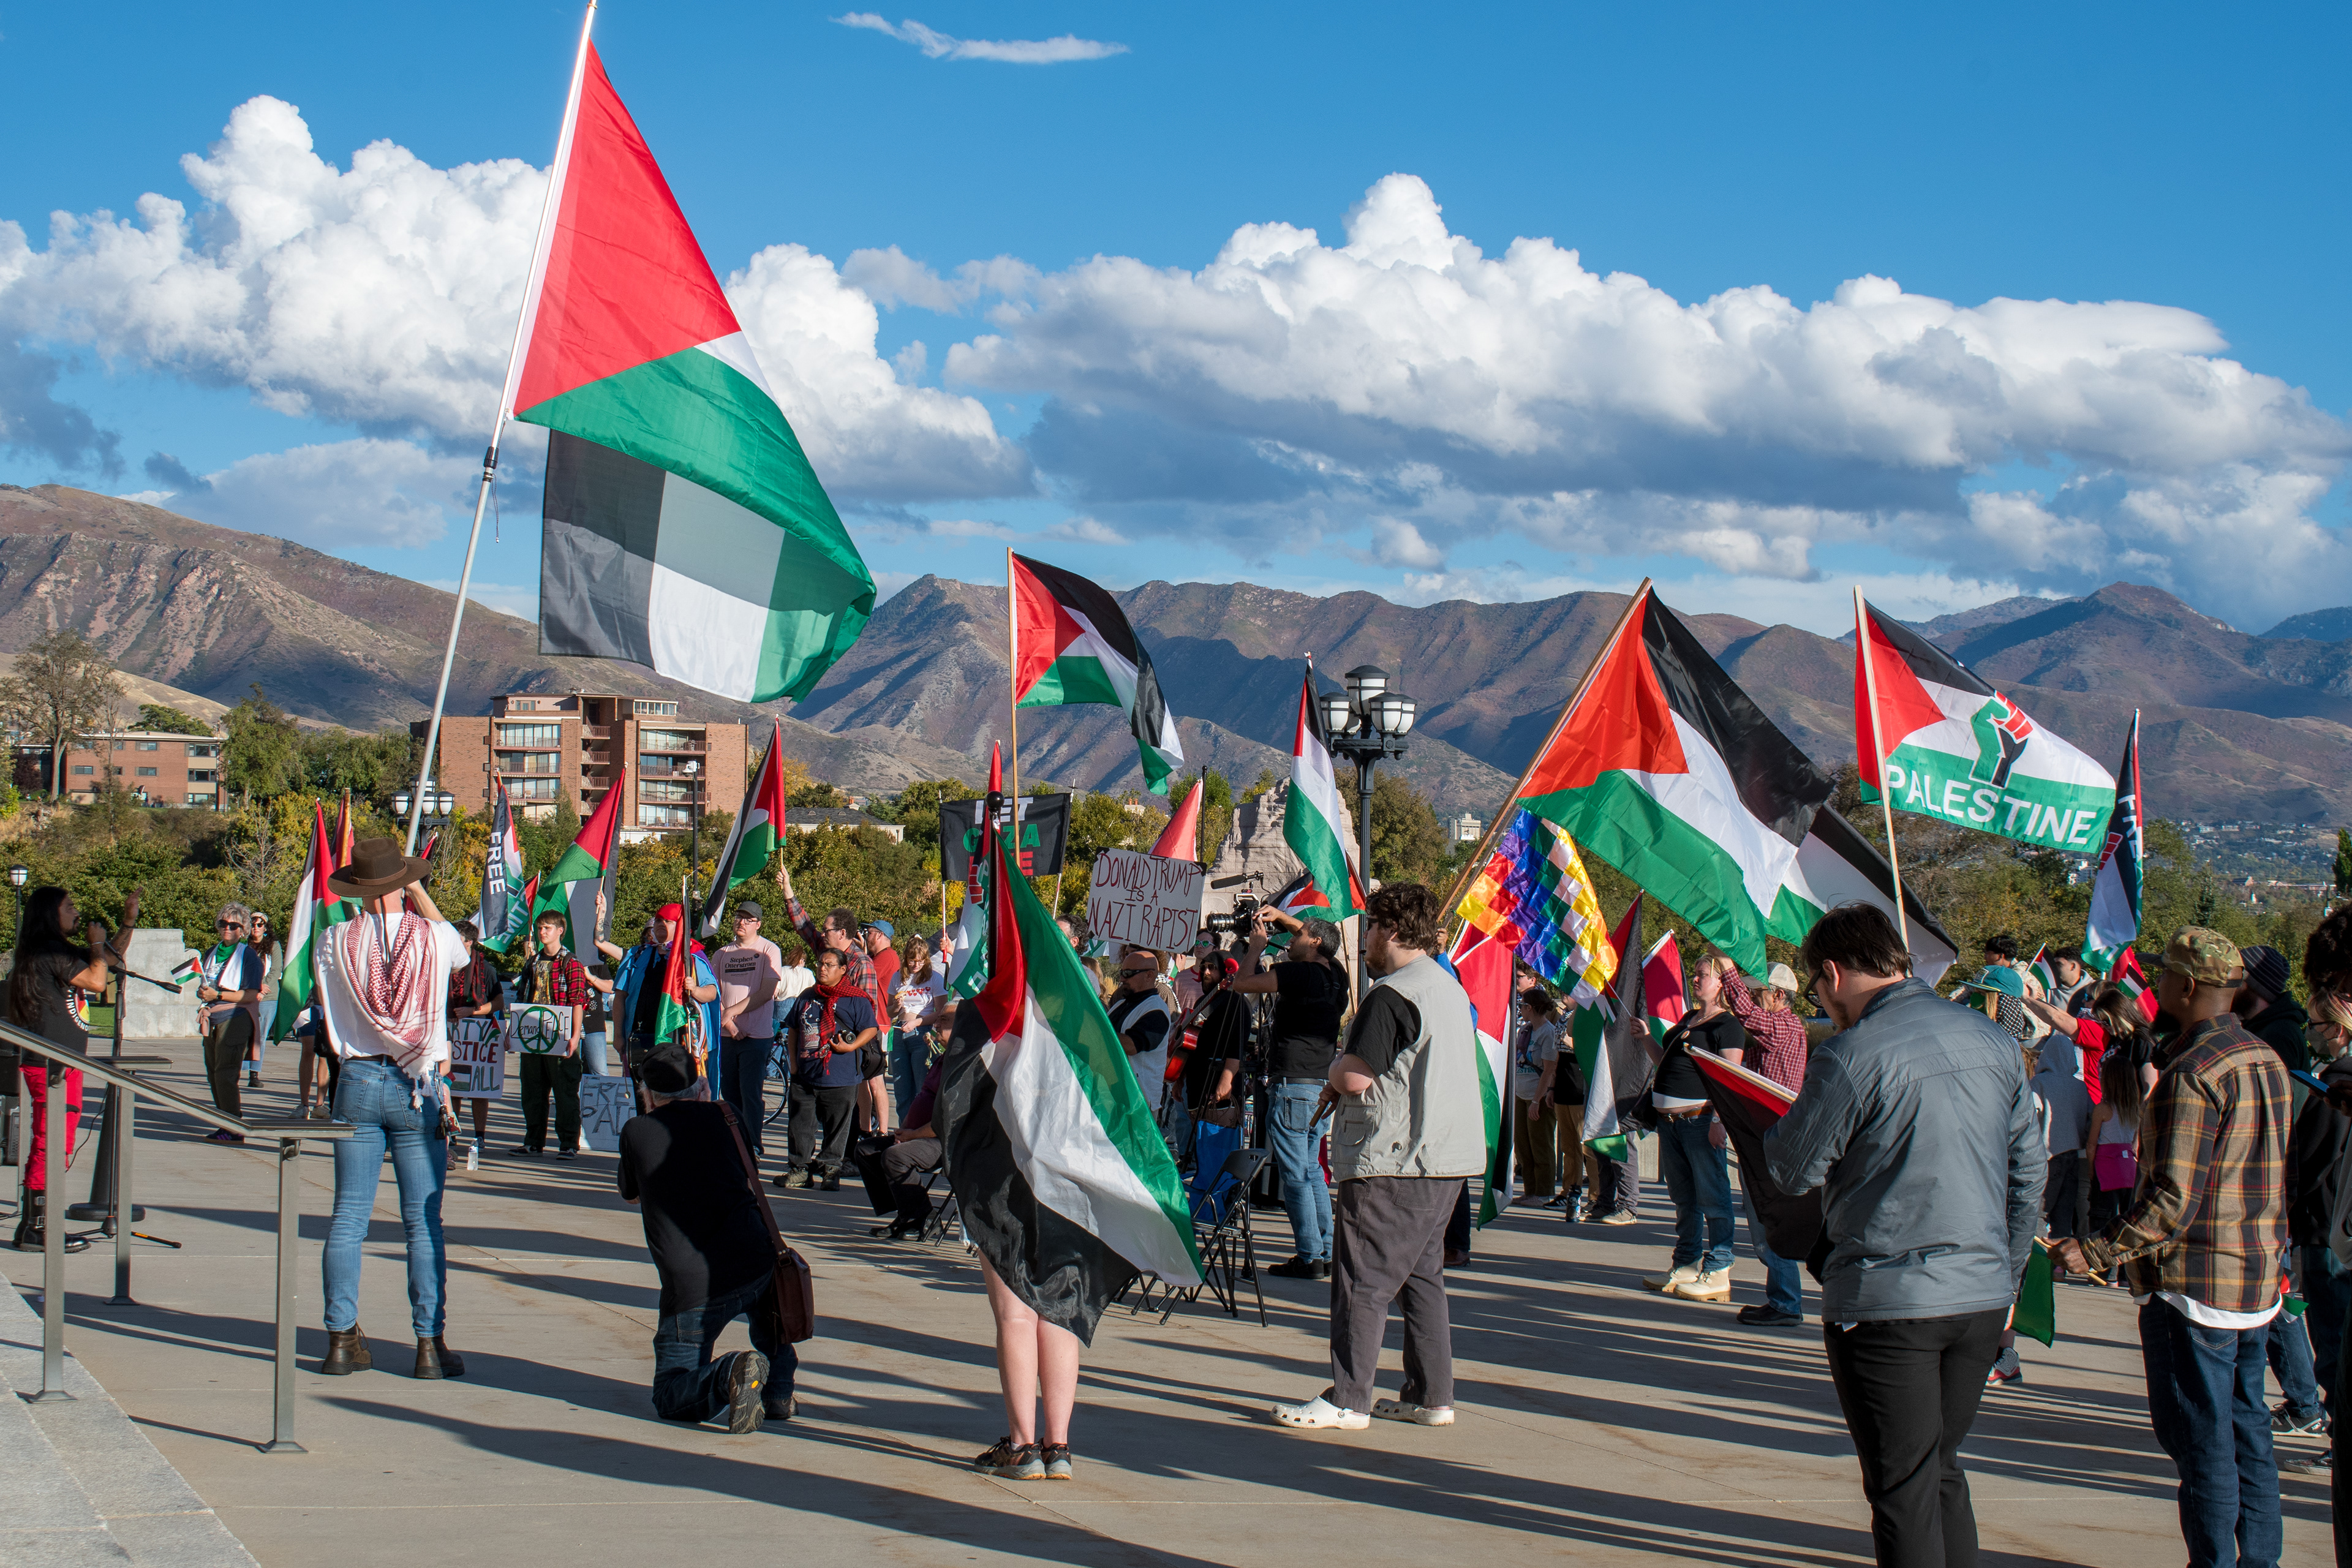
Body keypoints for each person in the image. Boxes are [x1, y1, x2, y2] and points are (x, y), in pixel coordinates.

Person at [1764, 903, 2043, 1568]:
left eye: (1818, 989)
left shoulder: (1851, 1054)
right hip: (1980, 1295)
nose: (1824, 1004)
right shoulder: (1996, 1041)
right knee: (1939, 1467)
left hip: (1892, 1299)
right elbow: (2028, 1172)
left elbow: (1792, 1167)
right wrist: (2009, 1274)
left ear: (1832, 973)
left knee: (1902, 1486)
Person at [2048, 927, 2290, 1568]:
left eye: (2162, 977)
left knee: (2204, 1444)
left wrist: (2094, 1250)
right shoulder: (2264, 1059)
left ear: (2187, 987)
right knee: (2249, 1434)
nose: (2152, 986)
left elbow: (2171, 1201)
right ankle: (2258, 1559)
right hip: (2255, 1281)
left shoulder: (2193, 1073)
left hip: (2199, 1287)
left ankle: (2213, 1561)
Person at [1273, 883, 1484, 1432]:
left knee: (1361, 1278)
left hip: (1394, 1158)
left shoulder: (1393, 994)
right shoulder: (1447, 988)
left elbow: (1357, 1073)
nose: (1365, 940)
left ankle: (1348, 1398)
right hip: (1445, 1159)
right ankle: (1430, 1394)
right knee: (1421, 1277)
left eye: (1370, 928)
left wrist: (1334, 1070)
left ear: (1390, 931)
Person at [311, 837, 472, 1381]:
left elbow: (326, 1002)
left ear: (359, 890)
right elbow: (462, 953)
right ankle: (429, 1344)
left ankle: (340, 1337)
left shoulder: (333, 940)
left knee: (349, 1216)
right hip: (417, 1082)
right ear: (401, 884)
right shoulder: (435, 937)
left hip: (356, 1076)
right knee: (422, 1222)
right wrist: (417, 891)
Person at [617, 1041, 794, 1431]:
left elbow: (630, 1196)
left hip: (692, 1283)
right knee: (771, 1320)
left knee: (671, 1394)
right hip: (753, 1258)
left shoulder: (637, 1131)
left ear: (647, 1095)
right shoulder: (729, 1117)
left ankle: (730, 1372)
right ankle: (779, 1392)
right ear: (699, 1088)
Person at [8, 884, 137, 1253]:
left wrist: (128, 922)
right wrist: (96, 944)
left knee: (55, 1143)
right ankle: (37, 1227)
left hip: (63, 1062)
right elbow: (97, 981)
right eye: (70, 907)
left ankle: (34, 1224)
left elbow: (108, 960)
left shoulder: (57, 950)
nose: (77, 912)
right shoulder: (45, 952)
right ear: (51, 912)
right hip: (52, 1064)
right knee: (51, 1144)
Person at [1229, 911, 1349, 1280]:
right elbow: (1319, 940)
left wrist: (1256, 947)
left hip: (1293, 1085)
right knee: (1312, 1169)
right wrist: (1282, 917)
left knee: (1296, 1173)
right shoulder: (1336, 976)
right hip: (1320, 1085)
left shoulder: (1300, 973)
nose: (1292, 940)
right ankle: (1325, 1252)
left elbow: (1242, 984)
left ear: (1313, 943)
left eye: (1300, 935)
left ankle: (1309, 1255)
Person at [1642, 954, 1745, 1304]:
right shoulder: (1689, 1019)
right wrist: (1644, 1038)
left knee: (1714, 1197)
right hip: (1670, 1124)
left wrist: (1719, 1121)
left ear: (1720, 983)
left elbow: (1731, 1079)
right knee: (1684, 1198)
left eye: (1702, 975)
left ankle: (1718, 1269)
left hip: (1700, 1121)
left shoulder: (1727, 1026)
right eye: (1695, 974)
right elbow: (1664, 1062)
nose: (1695, 980)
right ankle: (1686, 1263)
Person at [782, 946, 879, 1189]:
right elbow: (794, 1028)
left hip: (841, 1076)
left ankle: (830, 1171)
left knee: (838, 1128)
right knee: (800, 1126)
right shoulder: (807, 996)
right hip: (805, 1073)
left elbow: (871, 1028)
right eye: (820, 964)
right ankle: (800, 1170)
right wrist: (793, 1063)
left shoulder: (855, 998)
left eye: (829, 965)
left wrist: (852, 1046)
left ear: (843, 969)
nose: (822, 969)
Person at [600, 902, 719, 1092]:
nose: (660, 925)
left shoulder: (692, 957)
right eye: (658, 920)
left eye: (667, 921)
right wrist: (618, 1036)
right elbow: (620, 997)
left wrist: (695, 990)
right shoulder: (636, 955)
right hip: (640, 1038)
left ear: (679, 925)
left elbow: (712, 992)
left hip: (677, 1041)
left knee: (675, 1096)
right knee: (642, 1097)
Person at [511, 910, 590, 1161]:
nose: (542, 932)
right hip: (532, 1035)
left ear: (560, 931)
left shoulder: (571, 962)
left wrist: (575, 1036)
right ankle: (533, 1141)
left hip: (561, 1036)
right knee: (532, 1092)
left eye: (547, 928)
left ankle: (568, 1143)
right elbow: (522, 998)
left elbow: (578, 1001)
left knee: (565, 1092)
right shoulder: (532, 962)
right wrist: (512, 1033)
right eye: (540, 928)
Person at [714, 903, 784, 1158]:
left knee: (751, 1092)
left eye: (748, 919)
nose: (741, 922)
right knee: (729, 1092)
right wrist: (729, 1023)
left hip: (757, 1036)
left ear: (758, 924)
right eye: (738, 917)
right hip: (727, 1034)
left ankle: (753, 1142)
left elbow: (766, 992)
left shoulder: (768, 950)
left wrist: (733, 1012)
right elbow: (714, 992)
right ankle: (733, 1141)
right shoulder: (722, 953)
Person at [195, 901, 265, 1131]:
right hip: (213, 1016)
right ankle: (224, 1122)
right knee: (213, 1072)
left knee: (226, 1073)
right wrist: (204, 992)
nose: (227, 928)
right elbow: (208, 982)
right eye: (223, 923)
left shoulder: (249, 957)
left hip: (235, 1017)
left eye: (234, 925)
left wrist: (219, 994)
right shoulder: (211, 953)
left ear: (243, 930)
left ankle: (233, 1126)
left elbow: (251, 994)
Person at [2080, 1044, 2145, 1289]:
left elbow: (2091, 1144)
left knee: (2101, 1219)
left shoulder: (2103, 1109)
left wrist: (2090, 1171)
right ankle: (2123, 1275)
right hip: (2128, 1168)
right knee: (2125, 1219)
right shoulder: (2135, 1110)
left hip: (2105, 1169)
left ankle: (2102, 1272)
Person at [448, 920, 503, 1150]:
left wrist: (473, 1010)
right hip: (452, 1033)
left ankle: (480, 1135)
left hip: (479, 1034)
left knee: (479, 1090)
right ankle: (452, 1133)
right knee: (453, 1087)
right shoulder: (445, 966)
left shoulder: (486, 969)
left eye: (457, 939)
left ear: (469, 943)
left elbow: (499, 1002)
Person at [2236, 943, 2310, 1075]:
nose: (2228, 988)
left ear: (2250, 985)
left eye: (2235, 980)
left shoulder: (2277, 1036)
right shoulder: (2268, 1028)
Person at [862, 919, 904, 1127]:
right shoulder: (878, 957)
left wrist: (861, 954)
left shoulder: (887, 956)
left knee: (874, 1078)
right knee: (866, 1079)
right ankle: (868, 1124)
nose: (865, 936)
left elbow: (863, 976)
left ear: (879, 935)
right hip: (875, 1021)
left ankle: (880, 1126)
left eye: (868, 932)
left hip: (879, 1023)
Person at [245, 910, 279, 1088]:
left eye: (260, 924)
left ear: (266, 928)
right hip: (249, 995)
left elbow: (277, 970)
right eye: (253, 924)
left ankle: (254, 1073)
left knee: (261, 1036)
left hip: (268, 997)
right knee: (245, 1032)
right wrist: (256, 986)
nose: (256, 928)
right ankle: (240, 1068)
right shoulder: (245, 946)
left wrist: (263, 986)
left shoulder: (273, 946)